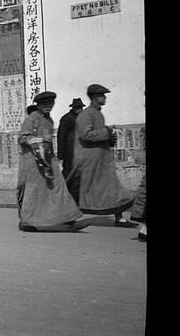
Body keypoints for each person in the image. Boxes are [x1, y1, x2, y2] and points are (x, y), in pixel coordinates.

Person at [17, 92, 91, 232]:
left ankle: (69, 219)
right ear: (38, 105)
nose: (47, 107)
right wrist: (37, 140)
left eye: (50, 104)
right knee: (34, 192)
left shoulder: (49, 120)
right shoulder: (32, 119)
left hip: (49, 160)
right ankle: (26, 221)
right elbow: (22, 138)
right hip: (34, 162)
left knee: (59, 187)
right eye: (44, 105)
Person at [66, 84, 136, 227]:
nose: (104, 98)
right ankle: (66, 216)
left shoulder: (97, 113)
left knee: (112, 188)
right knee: (77, 190)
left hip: (102, 160)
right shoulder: (86, 115)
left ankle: (119, 218)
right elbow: (85, 135)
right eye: (102, 96)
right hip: (89, 162)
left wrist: (109, 136)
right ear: (94, 98)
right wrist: (106, 133)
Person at [57, 98, 85, 179]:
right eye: (77, 108)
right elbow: (61, 136)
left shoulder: (83, 118)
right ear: (73, 108)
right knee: (68, 170)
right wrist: (60, 154)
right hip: (69, 150)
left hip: (81, 149)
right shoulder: (66, 118)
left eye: (80, 108)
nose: (79, 109)